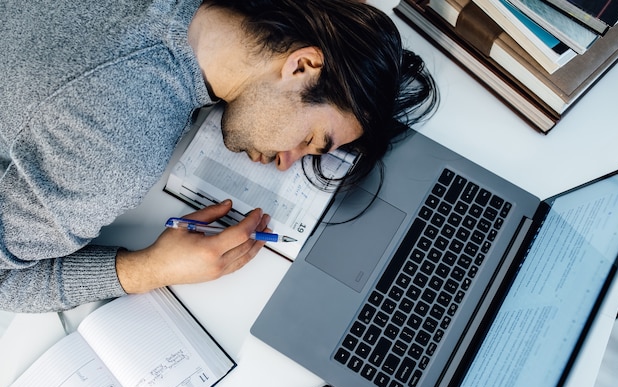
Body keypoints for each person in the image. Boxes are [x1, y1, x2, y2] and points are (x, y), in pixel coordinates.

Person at [0, 0, 437, 313]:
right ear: (301, 65)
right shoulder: (113, 153)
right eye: (311, 140)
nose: (287, 161)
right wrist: (147, 269)